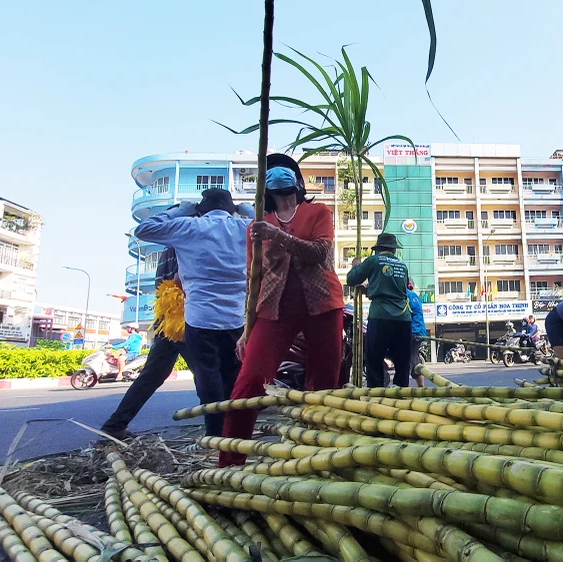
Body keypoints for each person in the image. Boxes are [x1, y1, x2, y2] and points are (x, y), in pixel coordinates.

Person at [219, 158, 345, 467]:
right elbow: (254, 279)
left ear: (298, 182)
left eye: (285, 171)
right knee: (247, 386)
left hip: (323, 306)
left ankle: (321, 461)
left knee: (323, 388)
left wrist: (278, 237)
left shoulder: (317, 212)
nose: (278, 176)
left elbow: (320, 253)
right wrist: (247, 330)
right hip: (274, 311)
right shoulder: (256, 226)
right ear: (265, 186)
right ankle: (229, 465)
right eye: (271, 171)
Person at [134, 188, 251, 437]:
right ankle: (234, 436)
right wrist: (247, 209)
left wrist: (180, 210)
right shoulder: (246, 229)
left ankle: (214, 434)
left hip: (200, 317)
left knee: (208, 377)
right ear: (231, 209)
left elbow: (143, 229)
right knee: (233, 377)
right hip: (234, 318)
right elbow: (277, 229)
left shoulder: (188, 227)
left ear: (200, 210)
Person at [101, 249, 192, 439]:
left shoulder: (169, 248)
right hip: (186, 320)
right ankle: (220, 432)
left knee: (151, 376)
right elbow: (180, 281)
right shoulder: (189, 241)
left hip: (167, 321)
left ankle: (115, 424)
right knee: (209, 375)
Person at [347, 233, 411, 388]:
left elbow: (351, 279)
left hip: (380, 316)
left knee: (374, 359)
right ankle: (401, 394)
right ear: (394, 250)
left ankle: (376, 396)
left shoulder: (373, 261)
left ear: (377, 249)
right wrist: (370, 289)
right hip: (403, 318)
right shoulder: (402, 265)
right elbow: (397, 290)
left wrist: (356, 266)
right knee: (402, 361)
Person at [406, 279, 427, 387]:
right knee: (413, 356)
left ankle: (421, 386)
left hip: (412, 332)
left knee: (411, 358)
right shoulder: (414, 295)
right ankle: (420, 386)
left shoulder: (403, 295)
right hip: (419, 331)